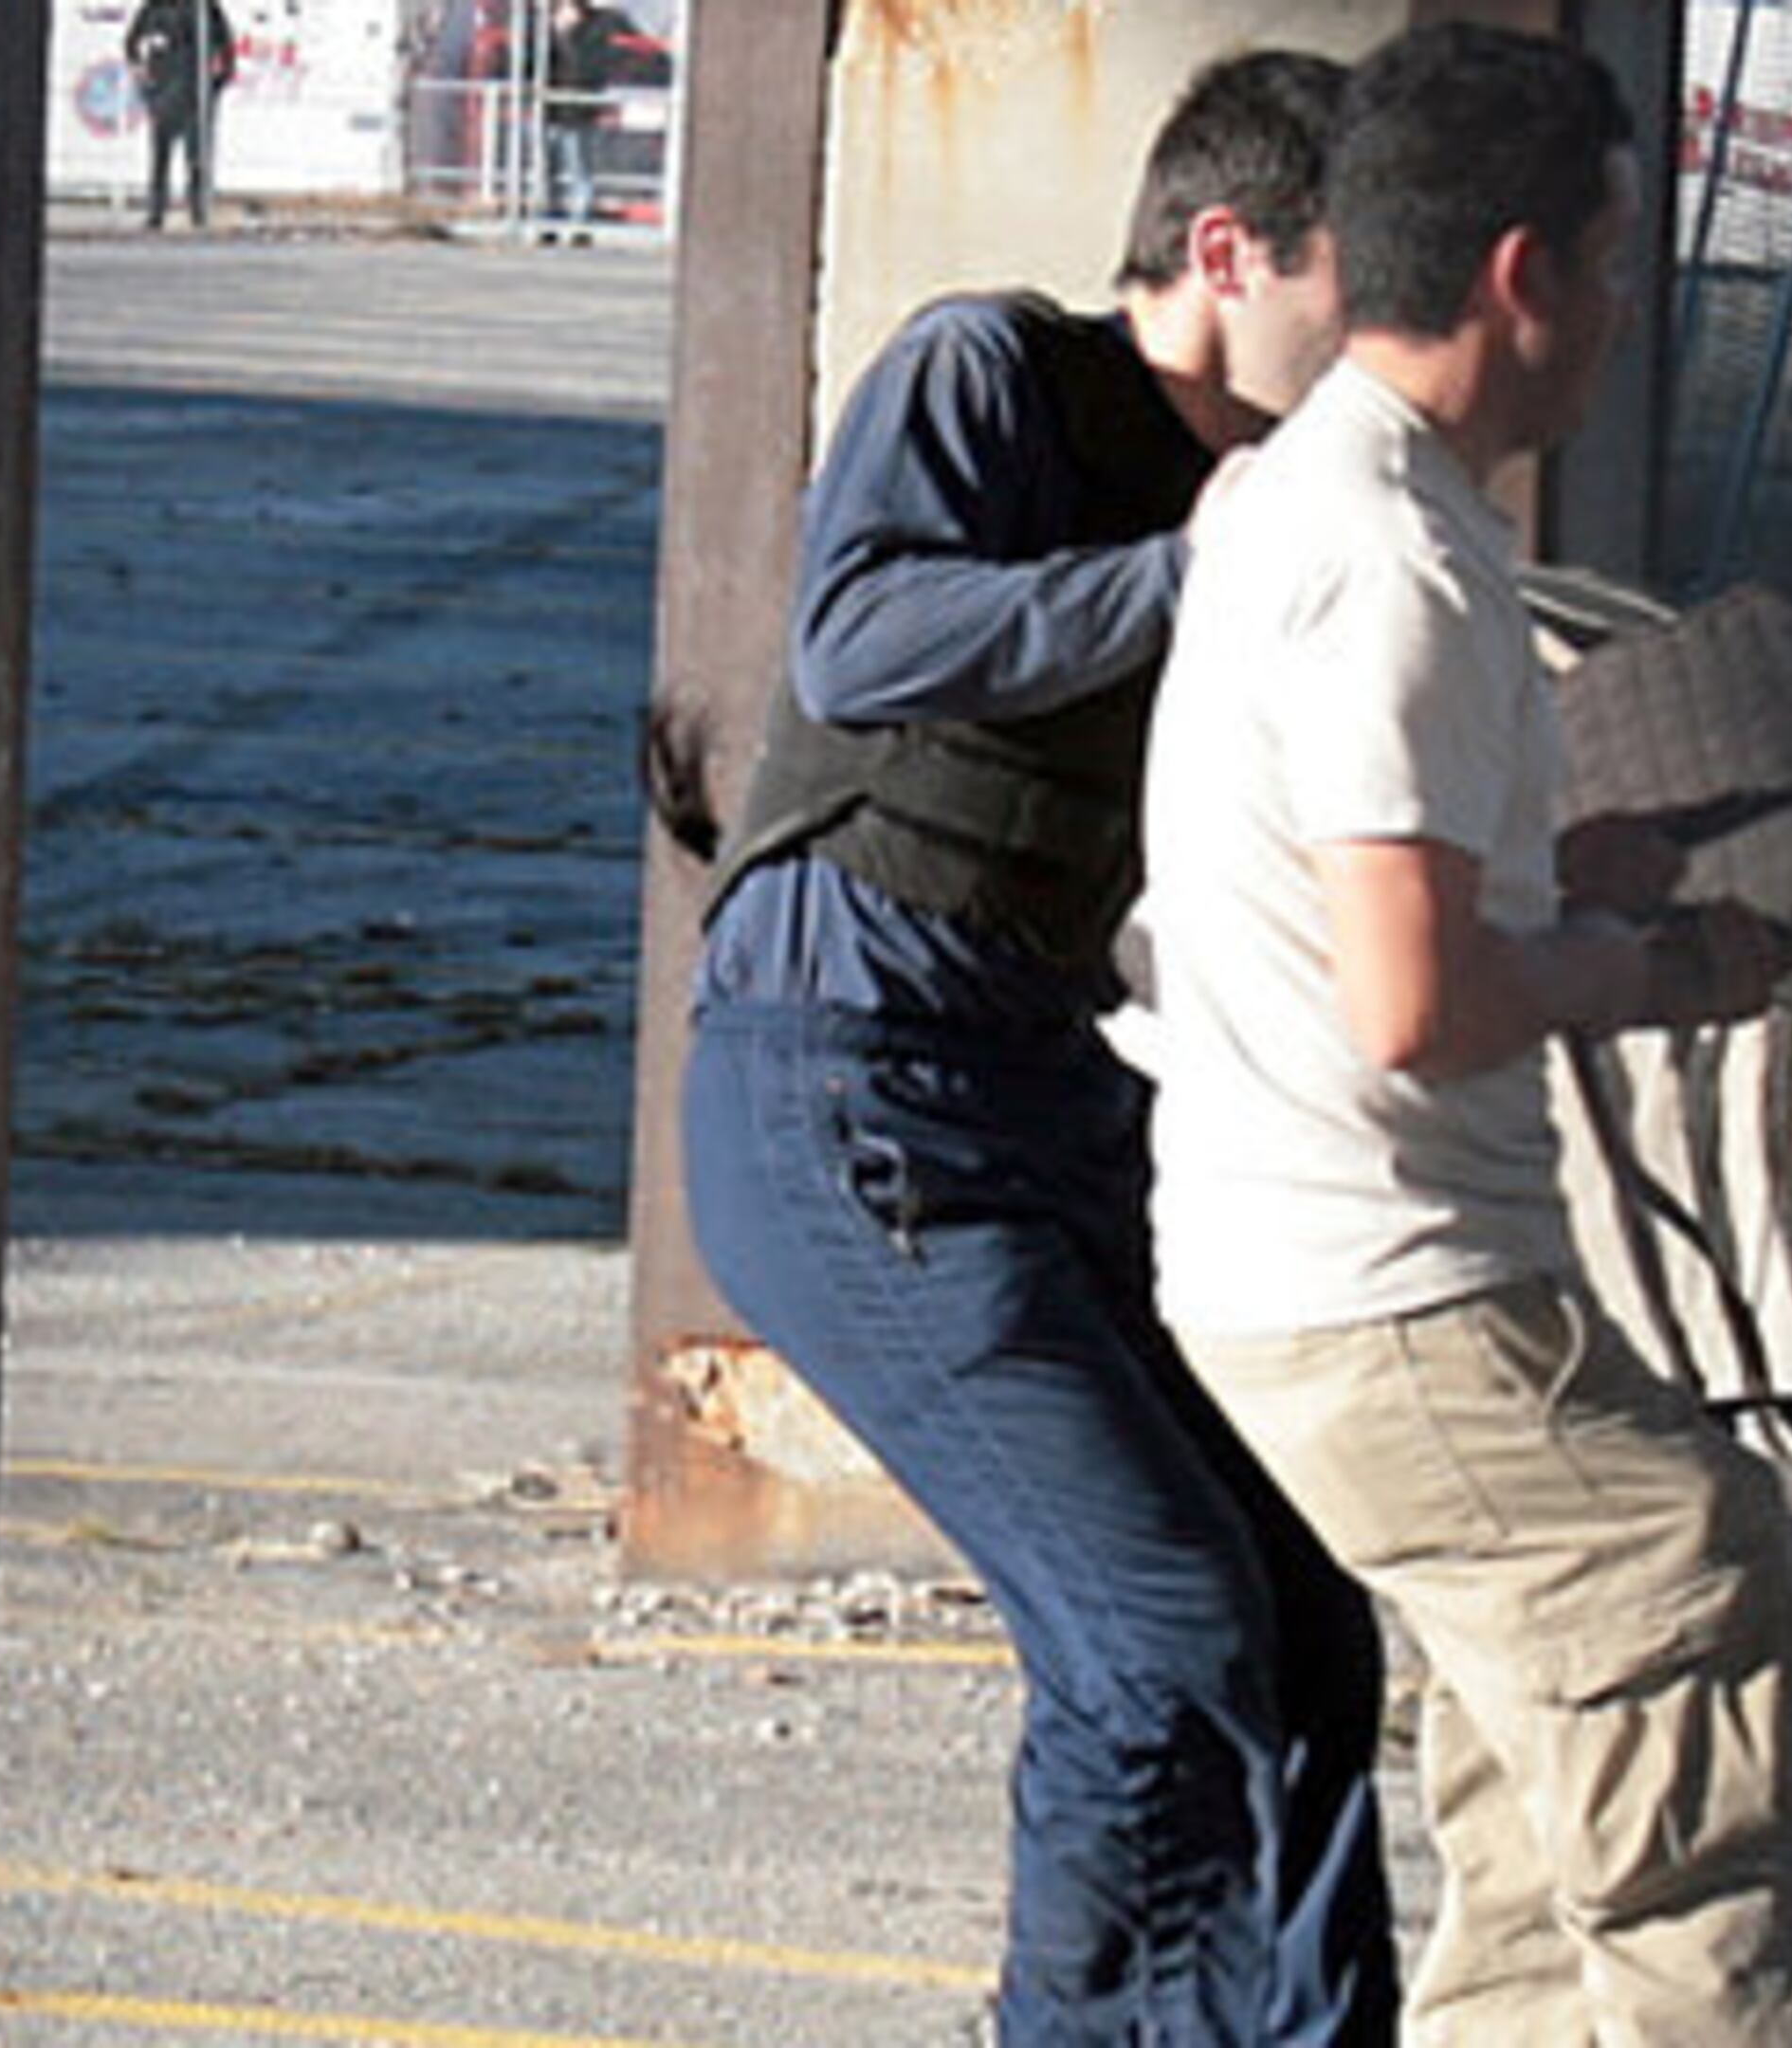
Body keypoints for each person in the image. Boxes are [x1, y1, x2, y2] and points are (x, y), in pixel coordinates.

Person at [1138, 23, 1792, 2043]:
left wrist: (1587, 870)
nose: (1631, 313)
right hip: (1396, 1288)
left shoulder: (1327, 502)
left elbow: (1387, 888)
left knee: (1546, 1826)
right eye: (1620, 264)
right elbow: (1414, 999)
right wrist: (1674, 974)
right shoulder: (1394, 559)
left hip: (1312, 1278)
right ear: (1523, 276)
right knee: (1695, 1655)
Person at [679, 50, 1394, 2046]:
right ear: (1227, 250)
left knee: (1304, 1625)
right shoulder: (990, 373)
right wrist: (1200, 572)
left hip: (1051, 1105)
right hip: (851, 1096)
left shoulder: (1269, 501)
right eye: (1356, 280)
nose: (1371, 341)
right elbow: (862, 641)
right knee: (1160, 1638)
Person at [126, 0, 234, 232]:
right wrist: (143, 78)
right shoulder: (153, 9)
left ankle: (198, 211)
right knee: (159, 157)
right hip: (163, 94)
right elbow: (131, 44)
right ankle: (156, 212)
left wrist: (215, 85)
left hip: (196, 97)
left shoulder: (205, 10)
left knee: (196, 158)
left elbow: (227, 48)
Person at [539, 0, 628, 243]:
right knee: (547, 169)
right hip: (550, 110)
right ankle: (547, 221)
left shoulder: (597, 26)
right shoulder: (543, 25)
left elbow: (590, 66)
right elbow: (532, 62)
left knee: (579, 168)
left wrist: (570, 33)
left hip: (579, 110)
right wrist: (553, 30)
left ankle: (580, 225)